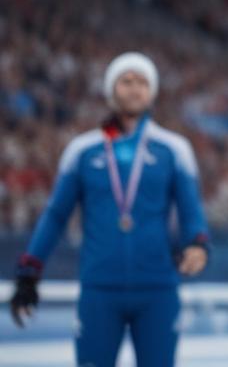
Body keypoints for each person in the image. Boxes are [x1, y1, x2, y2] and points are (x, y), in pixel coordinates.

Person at [9, 52, 210, 367]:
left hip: (157, 289)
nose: (134, 88)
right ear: (111, 89)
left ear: (152, 92)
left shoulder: (174, 149)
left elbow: (191, 210)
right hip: (99, 289)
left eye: (142, 82)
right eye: (126, 81)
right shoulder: (82, 151)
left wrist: (197, 243)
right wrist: (29, 271)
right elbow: (56, 215)